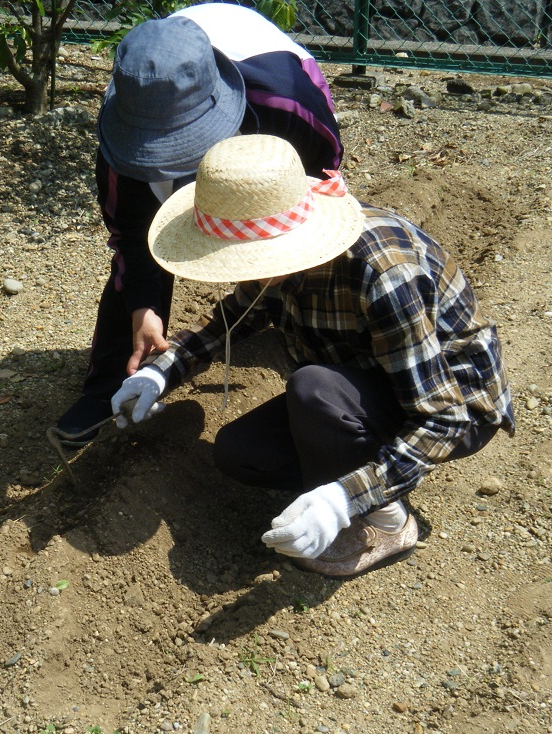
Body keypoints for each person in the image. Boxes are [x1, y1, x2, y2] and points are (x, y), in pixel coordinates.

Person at [110, 134, 515, 577]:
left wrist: (343, 499)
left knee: (313, 388)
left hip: (452, 403)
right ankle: (352, 471)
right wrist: (158, 374)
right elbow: (230, 322)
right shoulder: (273, 264)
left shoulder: (382, 274)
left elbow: (444, 418)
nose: (246, 272)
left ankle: (389, 521)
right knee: (240, 453)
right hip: (360, 383)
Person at [55, 3, 343, 445]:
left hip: (267, 93)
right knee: (136, 275)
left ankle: (324, 349)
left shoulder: (288, 102)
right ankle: (107, 385)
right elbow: (131, 235)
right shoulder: (125, 121)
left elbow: (320, 186)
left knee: (295, 238)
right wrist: (143, 308)